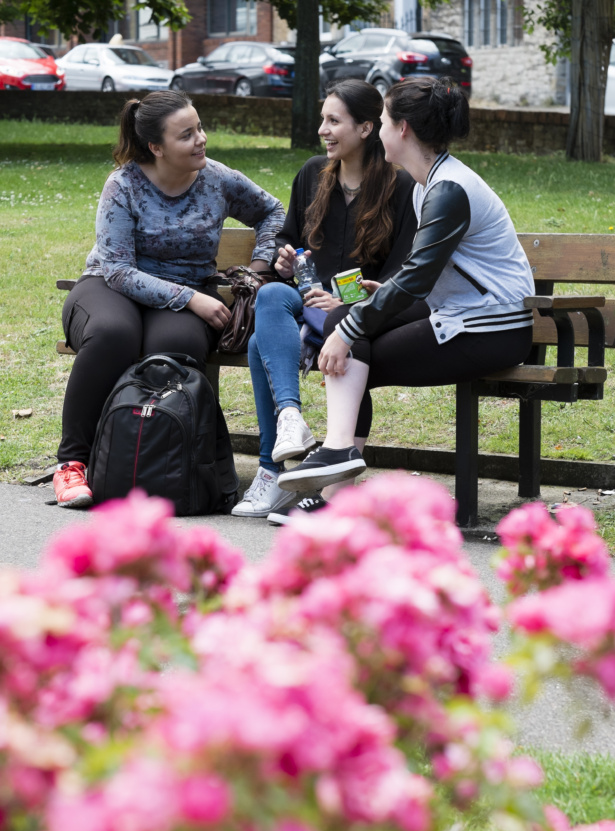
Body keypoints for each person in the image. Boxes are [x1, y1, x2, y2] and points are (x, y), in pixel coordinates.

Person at [278, 77, 535, 497]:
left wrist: (345, 333)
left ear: (402, 130)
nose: (378, 129)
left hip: (493, 328)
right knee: (348, 324)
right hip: (461, 315)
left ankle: (333, 479)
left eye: (381, 120)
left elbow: (416, 277)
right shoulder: (428, 184)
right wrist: (364, 311)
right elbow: (421, 277)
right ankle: (337, 461)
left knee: (353, 354)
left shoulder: (449, 189)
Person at [53, 90, 285, 508]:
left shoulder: (218, 178)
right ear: (155, 147)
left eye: (199, 128)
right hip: (109, 286)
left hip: (182, 296)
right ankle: (72, 464)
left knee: (174, 351)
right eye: (186, 135)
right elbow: (119, 271)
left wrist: (263, 262)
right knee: (112, 335)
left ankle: (159, 466)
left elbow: (273, 211)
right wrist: (191, 299)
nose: (201, 139)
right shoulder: (123, 185)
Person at [231, 79, 417, 518]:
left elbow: (400, 273)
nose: (323, 130)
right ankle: (290, 420)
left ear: (368, 127)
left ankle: (280, 475)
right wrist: (282, 260)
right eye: (323, 120)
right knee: (274, 292)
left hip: (359, 313)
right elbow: (291, 241)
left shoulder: (401, 187)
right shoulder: (313, 174)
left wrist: (346, 308)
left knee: (262, 345)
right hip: (302, 303)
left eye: (334, 121)